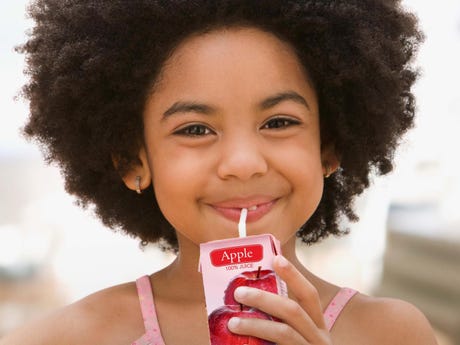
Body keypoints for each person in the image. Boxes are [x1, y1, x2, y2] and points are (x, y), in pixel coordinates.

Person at [1, 0, 438, 344]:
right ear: (133, 160)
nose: (243, 163)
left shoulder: (393, 334)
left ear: (329, 146)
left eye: (279, 122)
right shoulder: (67, 338)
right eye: (195, 129)